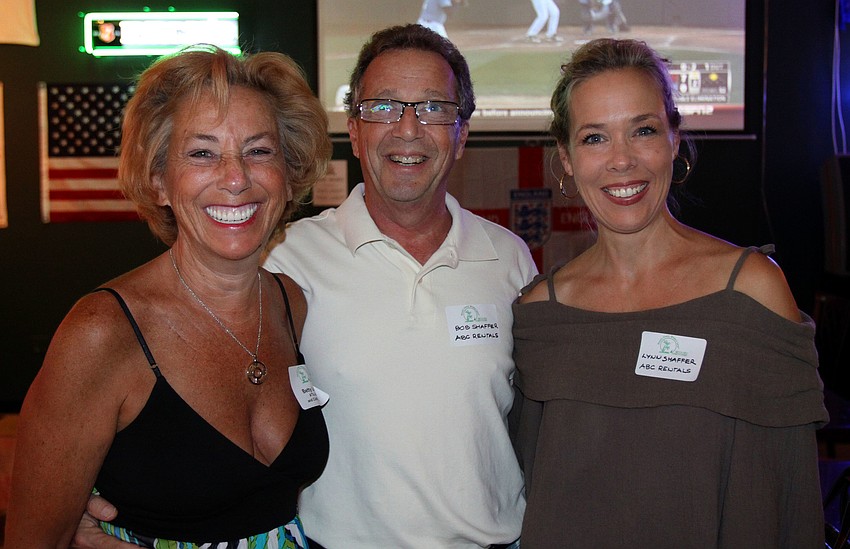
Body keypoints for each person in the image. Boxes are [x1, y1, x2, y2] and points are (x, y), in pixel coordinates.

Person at [74, 24, 535, 549]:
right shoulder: (281, 260)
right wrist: (85, 502)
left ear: (462, 133)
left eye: (433, 108)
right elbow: (174, 369)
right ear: (355, 131)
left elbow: (535, 421)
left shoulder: (511, 260)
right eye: (383, 107)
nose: (408, 129)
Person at [5, 45, 331, 548]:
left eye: (259, 150)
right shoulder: (102, 332)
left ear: (289, 176)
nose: (236, 177)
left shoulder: (292, 304)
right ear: (158, 180)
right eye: (202, 153)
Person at [510, 38, 829, 547]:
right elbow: (533, 491)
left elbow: (788, 499)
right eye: (595, 138)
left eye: (643, 130)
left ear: (674, 141)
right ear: (566, 159)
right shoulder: (540, 315)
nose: (622, 160)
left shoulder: (750, 291)